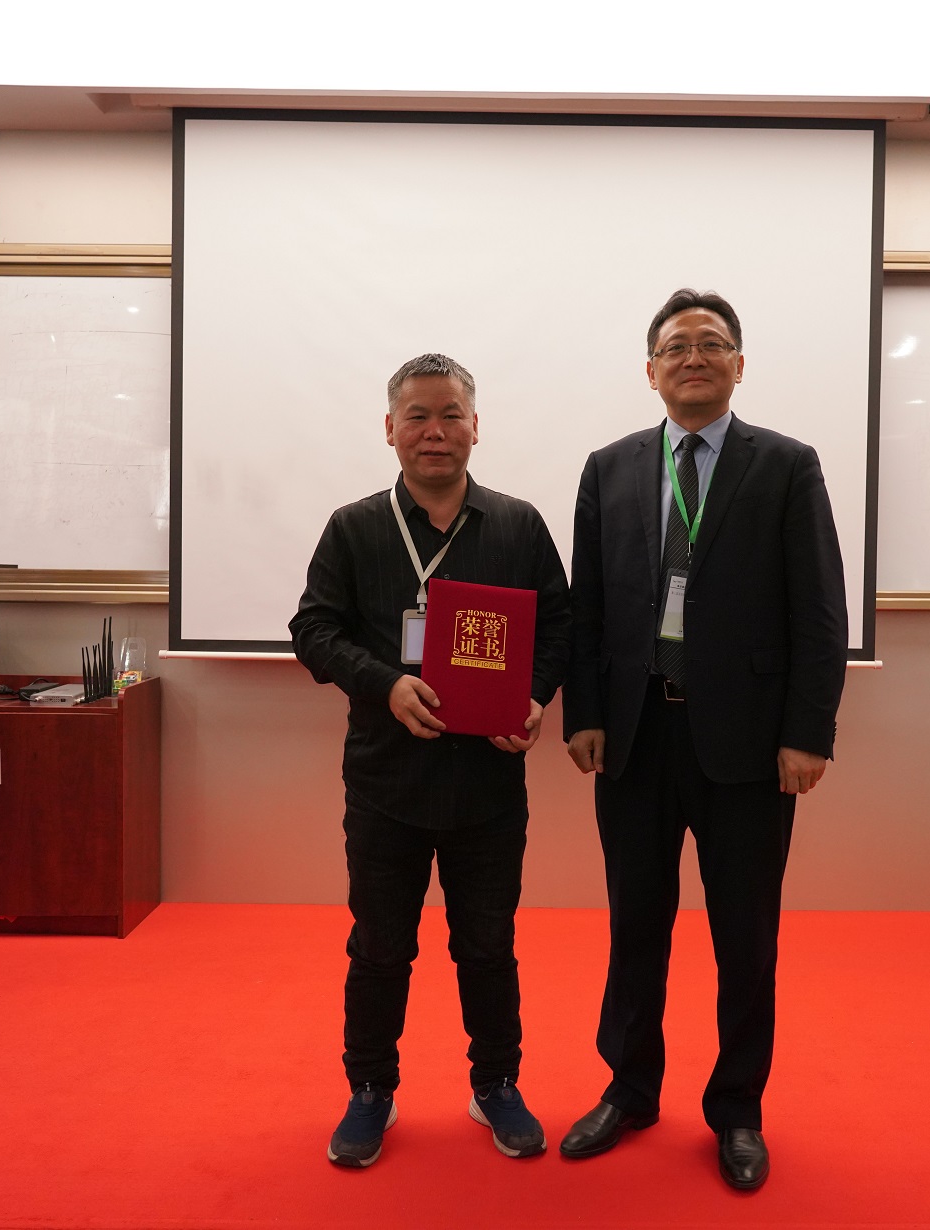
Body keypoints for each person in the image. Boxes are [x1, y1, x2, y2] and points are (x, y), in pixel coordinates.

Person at [559, 290, 848, 1190]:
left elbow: (819, 610)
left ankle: (737, 1110)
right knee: (634, 927)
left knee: (744, 938)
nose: (694, 356)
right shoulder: (607, 468)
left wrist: (807, 733)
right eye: (677, 345)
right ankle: (629, 1089)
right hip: (636, 737)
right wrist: (584, 714)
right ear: (650, 370)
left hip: (749, 746)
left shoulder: (786, 465)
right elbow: (586, 608)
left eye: (712, 343)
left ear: (738, 365)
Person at [290, 352, 571, 1168]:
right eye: (417, 416)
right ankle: (370, 1090)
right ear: (390, 429)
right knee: (380, 947)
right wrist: (384, 684)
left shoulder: (517, 526)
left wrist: (534, 699)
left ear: (475, 427)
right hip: (386, 783)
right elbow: (312, 630)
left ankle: (496, 1085)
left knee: (486, 945)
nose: (435, 431)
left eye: (451, 415)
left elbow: (558, 628)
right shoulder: (353, 528)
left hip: (488, 784)